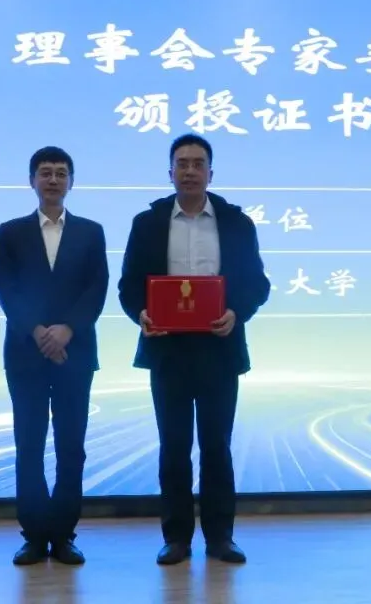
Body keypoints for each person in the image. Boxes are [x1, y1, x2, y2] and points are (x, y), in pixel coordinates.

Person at [118, 133, 271, 566]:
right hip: (168, 350)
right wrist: (141, 314)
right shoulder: (147, 223)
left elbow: (257, 284)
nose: (189, 171)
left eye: (197, 163)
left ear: (210, 173)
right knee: (173, 446)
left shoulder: (236, 223)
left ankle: (221, 538)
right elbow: (129, 286)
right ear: (169, 172)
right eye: (182, 163)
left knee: (217, 446)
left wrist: (236, 312)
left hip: (218, 349)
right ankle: (176, 539)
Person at [0, 146, 109, 566]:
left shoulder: (91, 232)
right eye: (46, 172)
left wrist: (67, 330)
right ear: (32, 181)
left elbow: (96, 287)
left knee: (71, 446)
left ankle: (63, 535)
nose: (53, 179)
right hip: (26, 352)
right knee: (29, 444)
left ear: (71, 182)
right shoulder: (10, 232)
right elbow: (5, 287)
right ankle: (34, 535)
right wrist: (40, 331)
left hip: (75, 353)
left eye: (61, 173)